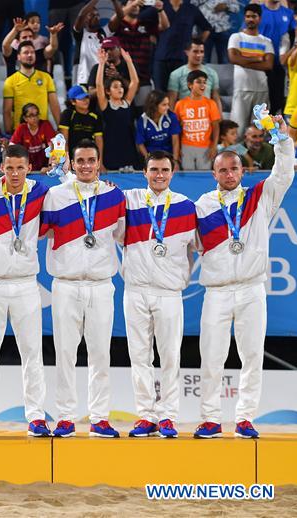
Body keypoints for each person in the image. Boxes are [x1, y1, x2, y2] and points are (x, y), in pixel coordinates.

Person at [193, 115, 294, 439]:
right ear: (214, 174)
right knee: (212, 357)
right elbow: (190, 245)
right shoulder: (202, 206)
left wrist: (281, 138)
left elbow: (284, 172)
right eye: (222, 170)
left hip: (251, 289)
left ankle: (246, 418)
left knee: (251, 355)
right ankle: (210, 418)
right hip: (217, 292)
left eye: (233, 169)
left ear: (242, 170)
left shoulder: (260, 197)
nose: (228, 174)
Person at [40, 138, 126, 439]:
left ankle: (100, 417)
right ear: (72, 164)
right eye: (80, 161)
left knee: (101, 353)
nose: (86, 166)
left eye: (91, 160)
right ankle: (65, 417)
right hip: (65, 284)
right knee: (65, 353)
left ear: (99, 163)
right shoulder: (55, 195)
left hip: (102, 285)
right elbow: (40, 232)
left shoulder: (114, 196)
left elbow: (124, 237)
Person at [0, 144, 51, 438]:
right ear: (1, 168)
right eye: (9, 168)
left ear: (29, 167)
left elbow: (76, 191)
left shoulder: (41, 193)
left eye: (20, 168)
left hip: (25, 285)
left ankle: (36, 417)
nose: (14, 174)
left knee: (32, 352)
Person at [120, 151, 197, 438]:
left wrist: (179, 277)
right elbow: (94, 192)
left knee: (169, 356)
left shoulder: (186, 207)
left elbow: (197, 247)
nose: (159, 175)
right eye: (154, 169)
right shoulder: (129, 201)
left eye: (164, 169)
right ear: (144, 172)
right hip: (136, 290)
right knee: (139, 356)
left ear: (172, 173)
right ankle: (145, 415)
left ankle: (168, 417)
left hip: (168, 293)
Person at [108, 0, 170, 98]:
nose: (136, 4)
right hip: (123, 78)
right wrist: (133, 4)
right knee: (124, 109)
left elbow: (165, 26)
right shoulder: (119, 24)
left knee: (143, 111)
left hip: (143, 76)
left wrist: (160, 10)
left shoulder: (145, 23)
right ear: (123, 6)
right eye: (132, 0)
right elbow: (111, 24)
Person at [228, 4, 275, 133]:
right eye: (248, 16)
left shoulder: (266, 41)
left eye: (253, 16)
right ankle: (238, 154)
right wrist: (258, 58)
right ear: (244, 18)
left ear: (259, 18)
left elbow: (268, 65)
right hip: (242, 89)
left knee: (259, 131)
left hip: (261, 90)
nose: (250, 19)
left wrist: (243, 60)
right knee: (237, 130)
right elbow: (233, 59)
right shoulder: (236, 37)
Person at [95, 47, 140, 170]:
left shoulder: (127, 102)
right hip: (111, 150)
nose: (120, 89)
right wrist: (101, 63)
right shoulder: (105, 104)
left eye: (121, 86)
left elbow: (135, 82)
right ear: (108, 91)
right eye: (115, 87)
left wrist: (129, 62)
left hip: (129, 149)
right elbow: (99, 85)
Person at [152, 0, 211, 92]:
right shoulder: (160, 5)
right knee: (160, 93)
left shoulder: (191, 9)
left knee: (182, 92)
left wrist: (197, 45)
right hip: (162, 57)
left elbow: (207, 28)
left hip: (182, 58)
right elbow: (142, 20)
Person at [3, 41, 60, 134]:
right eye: (26, 53)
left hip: (42, 130)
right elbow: (7, 110)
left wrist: (60, 127)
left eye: (32, 52)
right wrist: (8, 133)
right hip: (20, 130)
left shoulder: (46, 77)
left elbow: (54, 105)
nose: (30, 55)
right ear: (18, 57)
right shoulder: (10, 80)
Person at [175, 70, 221, 170]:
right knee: (188, 175)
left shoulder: (211, 103)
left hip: (205, 146)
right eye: (199, 82)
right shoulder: (180, 104)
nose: (202, 85)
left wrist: (214, 146)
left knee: (204, 175)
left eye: (204, 82)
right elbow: (176, 129)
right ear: (190, 85)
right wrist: (177, 148)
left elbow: (216, 127)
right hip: (186, 146)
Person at [167, 38, 223, 114]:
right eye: (195, 51)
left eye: (201, 52)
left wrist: (220, 119)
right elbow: (172, 100)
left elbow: (216, 97)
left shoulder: (212, 73)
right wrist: (172, 121)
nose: (199, 55)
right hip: (185, 116)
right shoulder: (176, 74)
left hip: (206, 116)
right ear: (187, 52)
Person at [258, 0, 294, 113]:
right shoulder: (257, 11)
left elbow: (295, 36)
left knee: (277, 104)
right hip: (259, 65)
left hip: (280, 66)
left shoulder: (289, 13)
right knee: (260, 105)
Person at [73, 0, 115, 87]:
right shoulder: (80, 33)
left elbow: (120, 16)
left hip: (100, 78)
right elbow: (81, 15)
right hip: (83, 79)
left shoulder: (104, 32)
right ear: (85, 19)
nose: (95, 17)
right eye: (91, 15)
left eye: (97, 15)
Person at [136, 90, 182, 161]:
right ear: (154, 105)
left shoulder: (171, 116)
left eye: (168, 104)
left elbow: (175, 140)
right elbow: (140, 143)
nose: (168, 107)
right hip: (151, 157)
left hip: (168, 156)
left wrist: (175, 160)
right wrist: (148, 159)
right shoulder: (143, 120)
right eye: (164, 105)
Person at [10, 103, 57, 172]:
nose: (35, 118)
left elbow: (53, 147)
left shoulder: (45, 125)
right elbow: (12, 149)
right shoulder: (21, 128)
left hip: (44, 168)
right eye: (31, 115)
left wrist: (50, 166)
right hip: (27, 168)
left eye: (37, 114)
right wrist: (21, 167)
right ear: (25, 118)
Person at [59, 85, 103, 155]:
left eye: (86, 97)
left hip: (90, 154)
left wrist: (99, 161)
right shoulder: (67, 114)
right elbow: (64, 140)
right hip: (71, 154)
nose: (85, 101)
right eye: (81, 98)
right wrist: (66, 161)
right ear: (73, 101)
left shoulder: (95, 116)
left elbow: (99, 140)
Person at [85, 37, 131, 102]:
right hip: (102, 108)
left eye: (111, 49)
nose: (108, 52)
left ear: (119, 49)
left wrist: (118, 77)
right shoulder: (96, 68)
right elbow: (91, 94)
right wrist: (109, 84)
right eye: (105, 49)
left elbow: (135, 89)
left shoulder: (128, 66)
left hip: (124, 106)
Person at [283, 5, 297, 118]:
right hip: (287, 80)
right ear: (295, 16)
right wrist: (296, 47)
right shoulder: (288, 36)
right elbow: (283, 61)